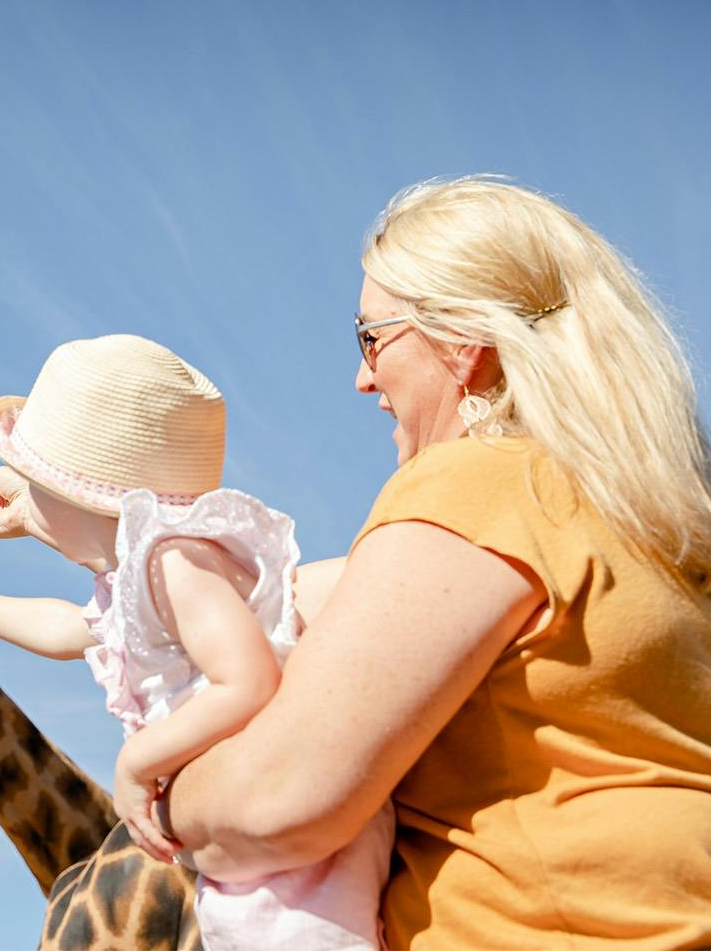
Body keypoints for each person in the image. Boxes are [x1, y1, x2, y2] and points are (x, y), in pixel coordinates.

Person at [156, 177, 711, 949]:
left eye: (370, 337)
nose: (362, 377)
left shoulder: (476, 483)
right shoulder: (654, 523)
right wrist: (68, 505)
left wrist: (162, 795)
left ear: (463, 342)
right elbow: (282, 589)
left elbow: (275, 805)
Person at [0, 333, 392, 950]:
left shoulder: (174, 561)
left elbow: (247, 682)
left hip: (293, 848)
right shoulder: (141, 576)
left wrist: (139, 762)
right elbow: (66, 631)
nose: (23, 498)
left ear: (88, 497)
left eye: (35, 484)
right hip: (249, 839)